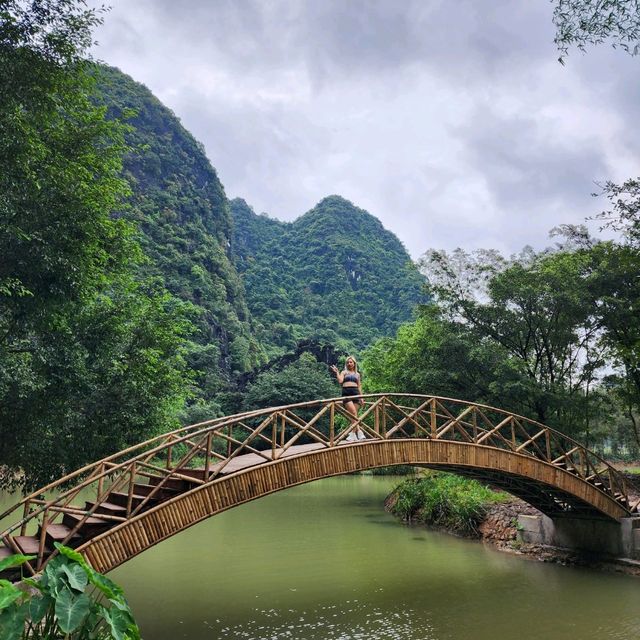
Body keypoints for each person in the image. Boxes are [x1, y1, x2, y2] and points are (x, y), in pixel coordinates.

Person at [330, 356, 366, 441]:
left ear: (354, 363)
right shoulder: (344, 372)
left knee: (354, 416)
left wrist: (362, 397)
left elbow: (359, 386)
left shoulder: (357, 374)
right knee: (353, 413)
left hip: (356, 394)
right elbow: (340, 381)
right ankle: (359, 432)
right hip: (346, 394)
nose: (349, 364)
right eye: (348, 362)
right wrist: (337, 372)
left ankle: (353, 434)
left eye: (351, 362)